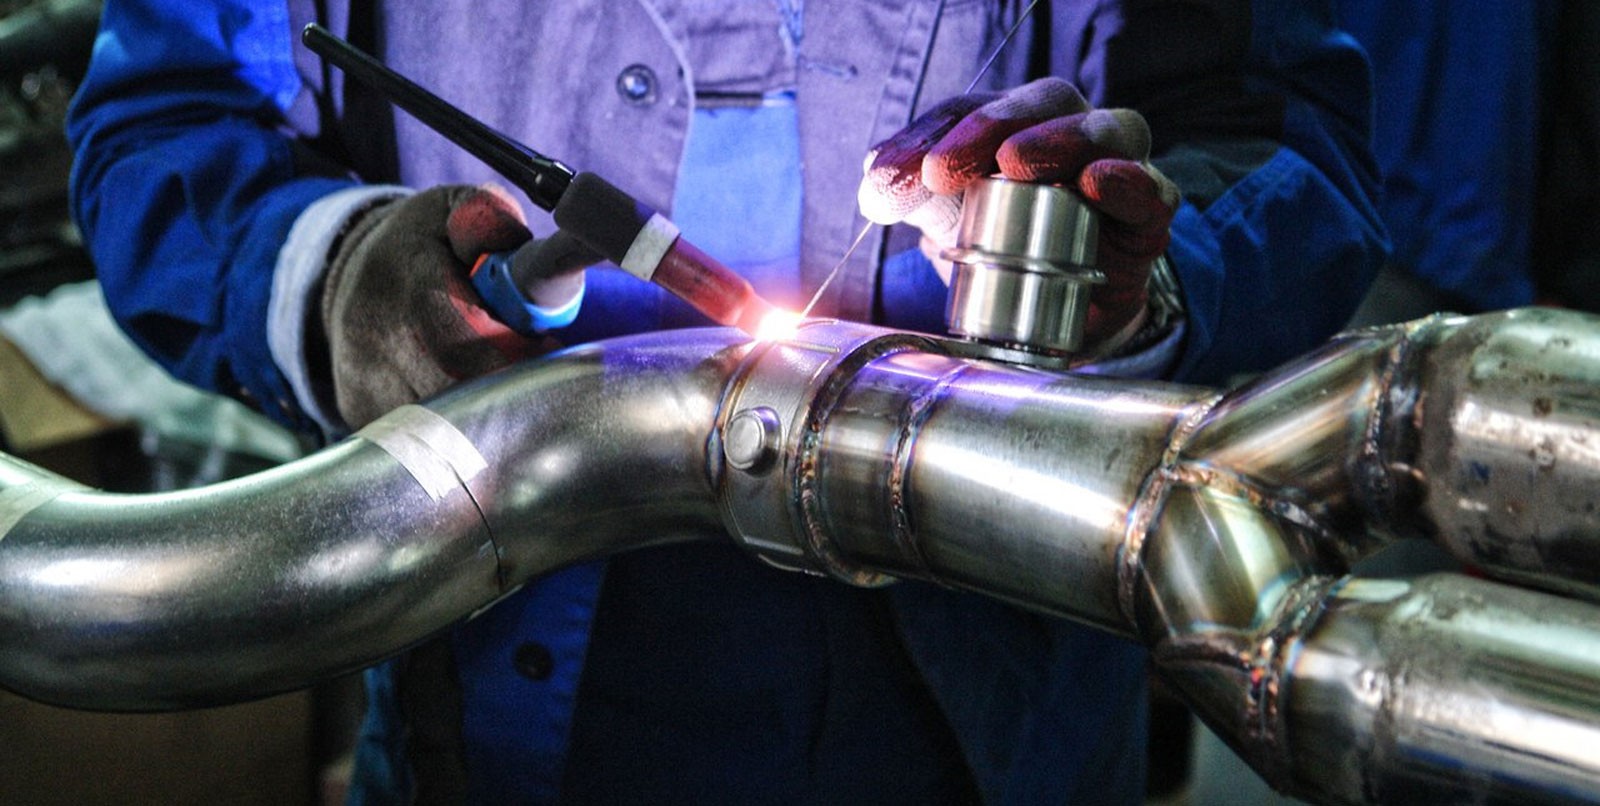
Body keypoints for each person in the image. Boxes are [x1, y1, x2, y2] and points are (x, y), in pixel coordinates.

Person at [66, 1, 1386, 802]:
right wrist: (327, 273)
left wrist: (1135, 272)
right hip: (489, 728)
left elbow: (1284, 135)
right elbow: (163, 127)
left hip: (990, 740)